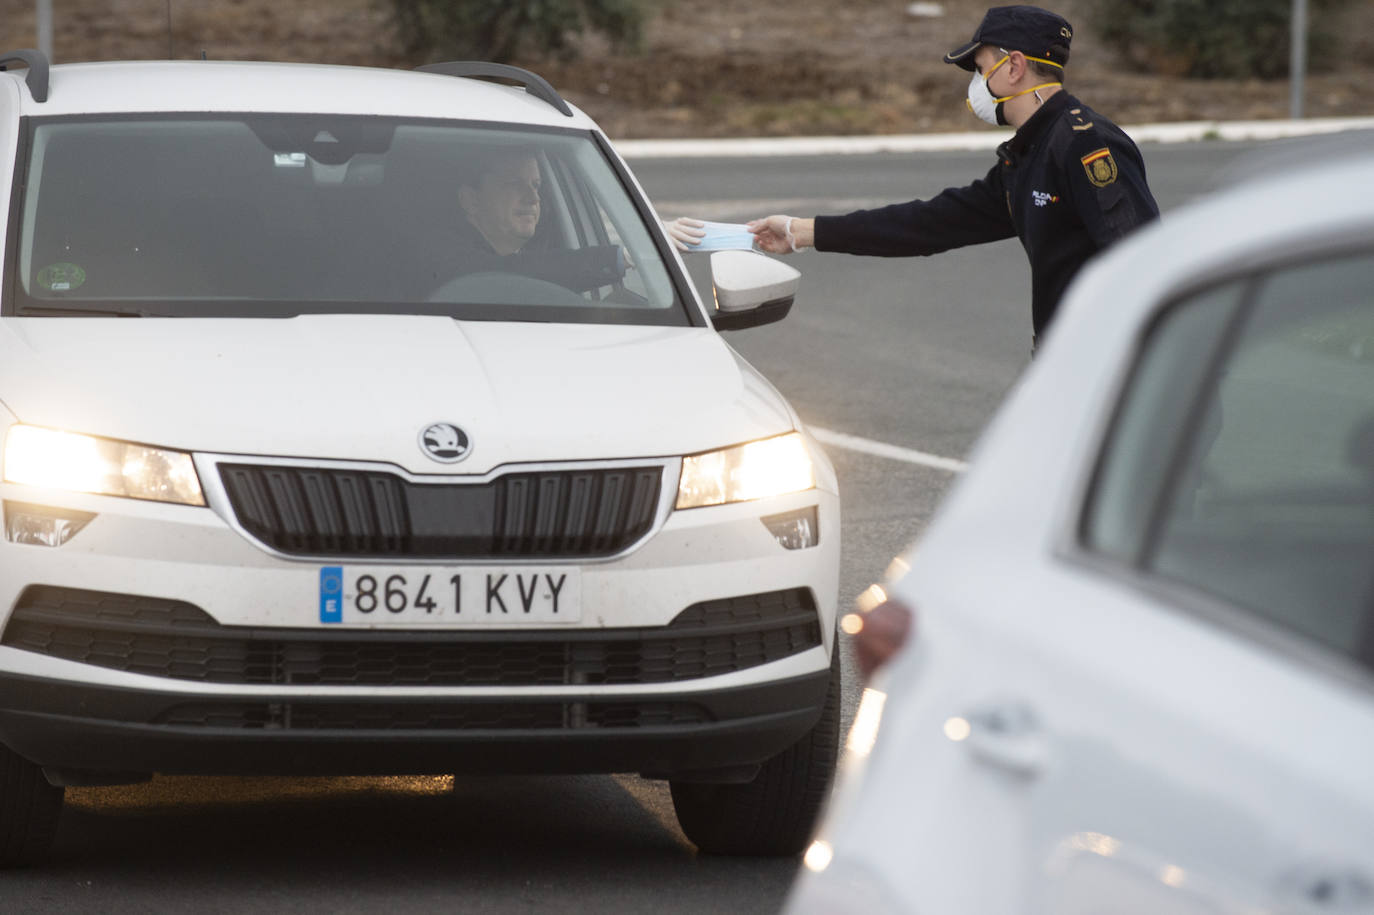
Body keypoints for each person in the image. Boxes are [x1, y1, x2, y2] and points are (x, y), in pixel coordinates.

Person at [749, 5, 1160, 350]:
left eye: (981, 68)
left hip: (1117, 375)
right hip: (1070, 368)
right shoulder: (1029, 153)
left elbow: (1145, 266)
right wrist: (802, 231)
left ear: (1014, 66)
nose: (975, 85)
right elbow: (929, 225)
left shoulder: (1083, 146)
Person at [441, 149, 628, 294]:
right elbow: (501, 275)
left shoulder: (541, 249)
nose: (533, 198)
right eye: (514, 183)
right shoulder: (444, 256)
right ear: (470, 200)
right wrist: (617, 258)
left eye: (536, 185)